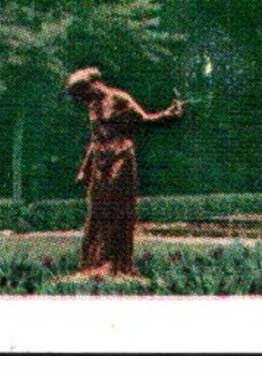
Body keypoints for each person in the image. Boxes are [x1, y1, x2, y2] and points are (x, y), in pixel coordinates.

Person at [64, 66, 184, 277]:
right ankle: (93, 263)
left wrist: (167, 115)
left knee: (116, 208)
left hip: (120, 157)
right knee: (96, 212)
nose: (84, 98)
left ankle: (115, 263)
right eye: (80, 95)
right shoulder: (93, 106)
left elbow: (145, 120)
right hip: (100, 162)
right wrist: (84, 168)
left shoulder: (119, 98)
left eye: (84, 92)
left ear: (95, 84)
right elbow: (95, 139)